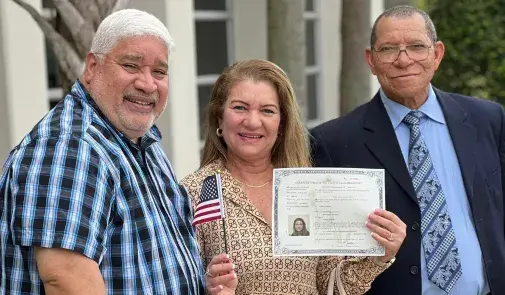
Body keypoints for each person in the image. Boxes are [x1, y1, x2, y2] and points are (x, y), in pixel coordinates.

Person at [0, 9, 204, 294]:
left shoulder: (140, 140)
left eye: (159, 71)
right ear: (93, 67)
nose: (147, 84)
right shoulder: (70, 147)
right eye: (131, 66)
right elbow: (66, 280)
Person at [311, 5, 505, 295]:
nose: (404, 60)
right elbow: (326, 255)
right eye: (388, 49)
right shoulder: (332, 142)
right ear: (371, 60)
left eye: (416, 47)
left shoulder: (487, 120)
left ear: (437, 54)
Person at [181, 59, 407, 295]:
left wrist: (380, 256)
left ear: (282, 124)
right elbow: (173, 282)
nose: (252, 121)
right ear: (219, 117)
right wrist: (206, 289)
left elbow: (333, 287)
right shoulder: (194, 193)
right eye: (240, 107)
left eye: (267, 111)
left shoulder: (308, 186)